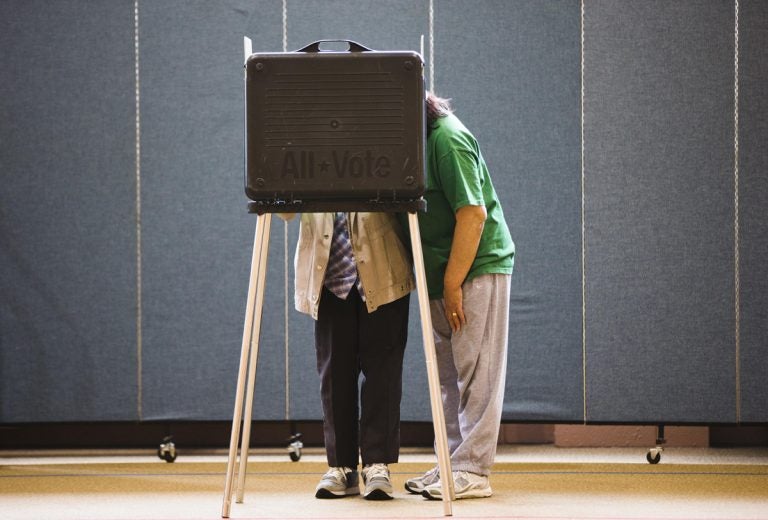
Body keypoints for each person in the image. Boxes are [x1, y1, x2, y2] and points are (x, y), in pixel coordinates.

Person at [404, 92, 515, 500]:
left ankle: (474, 470)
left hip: (475, 269)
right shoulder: (411, 143)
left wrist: (452, 284)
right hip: (439, 273)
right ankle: (451, 462)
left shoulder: (447, 139)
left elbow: (473, 214)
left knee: (477, 373)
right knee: (448, 378)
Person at [281, 211, 414, 500]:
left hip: (383, 267)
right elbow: (284, 210)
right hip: (329, 273)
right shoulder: (309, 163)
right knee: (335, 374)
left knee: (383, 372)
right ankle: (342, 466)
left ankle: (377, 463)